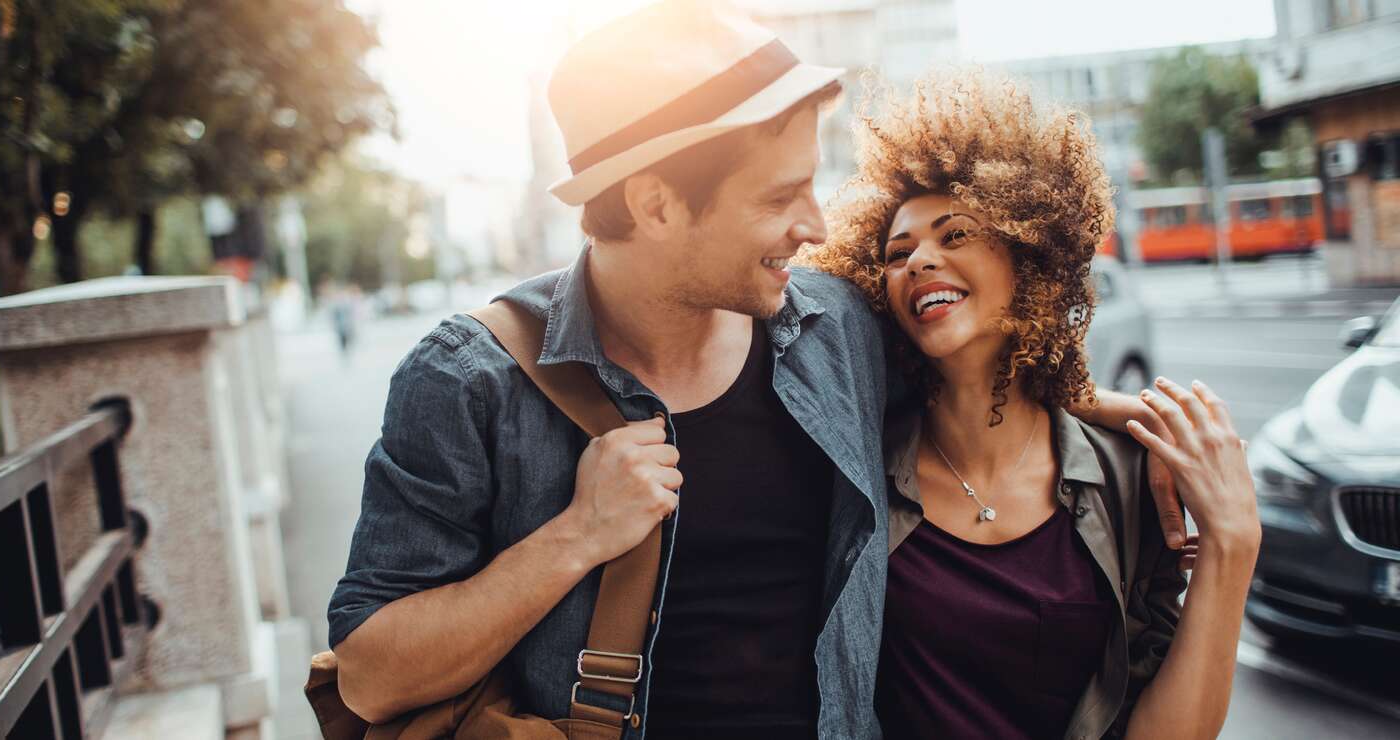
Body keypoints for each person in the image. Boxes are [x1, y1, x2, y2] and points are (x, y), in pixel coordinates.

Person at [327, 3, 1181, 738]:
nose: (816, 226)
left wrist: (1135, 430)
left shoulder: (837, 328)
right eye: (779, 197)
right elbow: (370, 677)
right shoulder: (469, 381)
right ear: (656, 203)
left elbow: (977, 378)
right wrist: (576, 536)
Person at [806, 69, 1260, 739]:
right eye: (897, 253)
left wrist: (1233, 542)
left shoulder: (1127, 475)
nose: (919, 260)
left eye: (955, 235)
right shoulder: (855, 469)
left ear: (1028, 259)